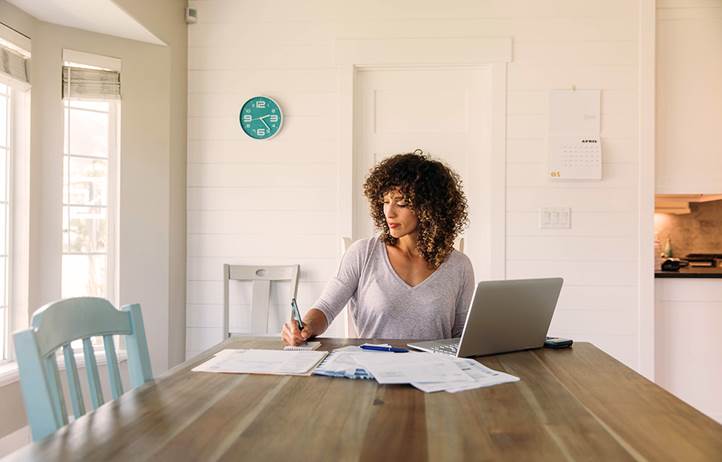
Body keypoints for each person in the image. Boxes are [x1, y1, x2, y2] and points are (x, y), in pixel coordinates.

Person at [282, 151, 474, 346]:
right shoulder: (363, 253)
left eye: (402, 203)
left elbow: (461, 335)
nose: (389, 213)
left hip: (436, 372)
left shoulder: (459, 265)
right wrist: (304, 327)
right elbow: (325, 308)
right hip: (373, 369)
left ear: (430, 208)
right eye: (385, 202)